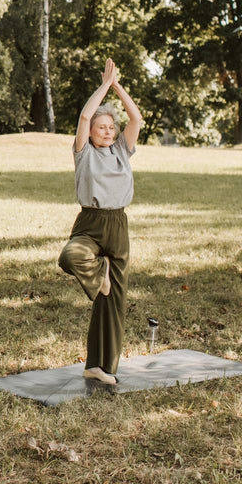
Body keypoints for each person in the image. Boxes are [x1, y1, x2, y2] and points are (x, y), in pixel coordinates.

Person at [58, 58, 143, 385]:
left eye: (111, 127)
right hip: (90, 225)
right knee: (71, 256)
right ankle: (99, 274)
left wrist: (117, 85)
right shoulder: (83, 152)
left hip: (118, 225)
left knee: (113, 305)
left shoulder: (123, 150)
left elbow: (135, 117)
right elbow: (83, 115)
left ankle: (100, 367)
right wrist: (104, 86)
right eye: (100, 127)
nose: (107, 131)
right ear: (90, 132)